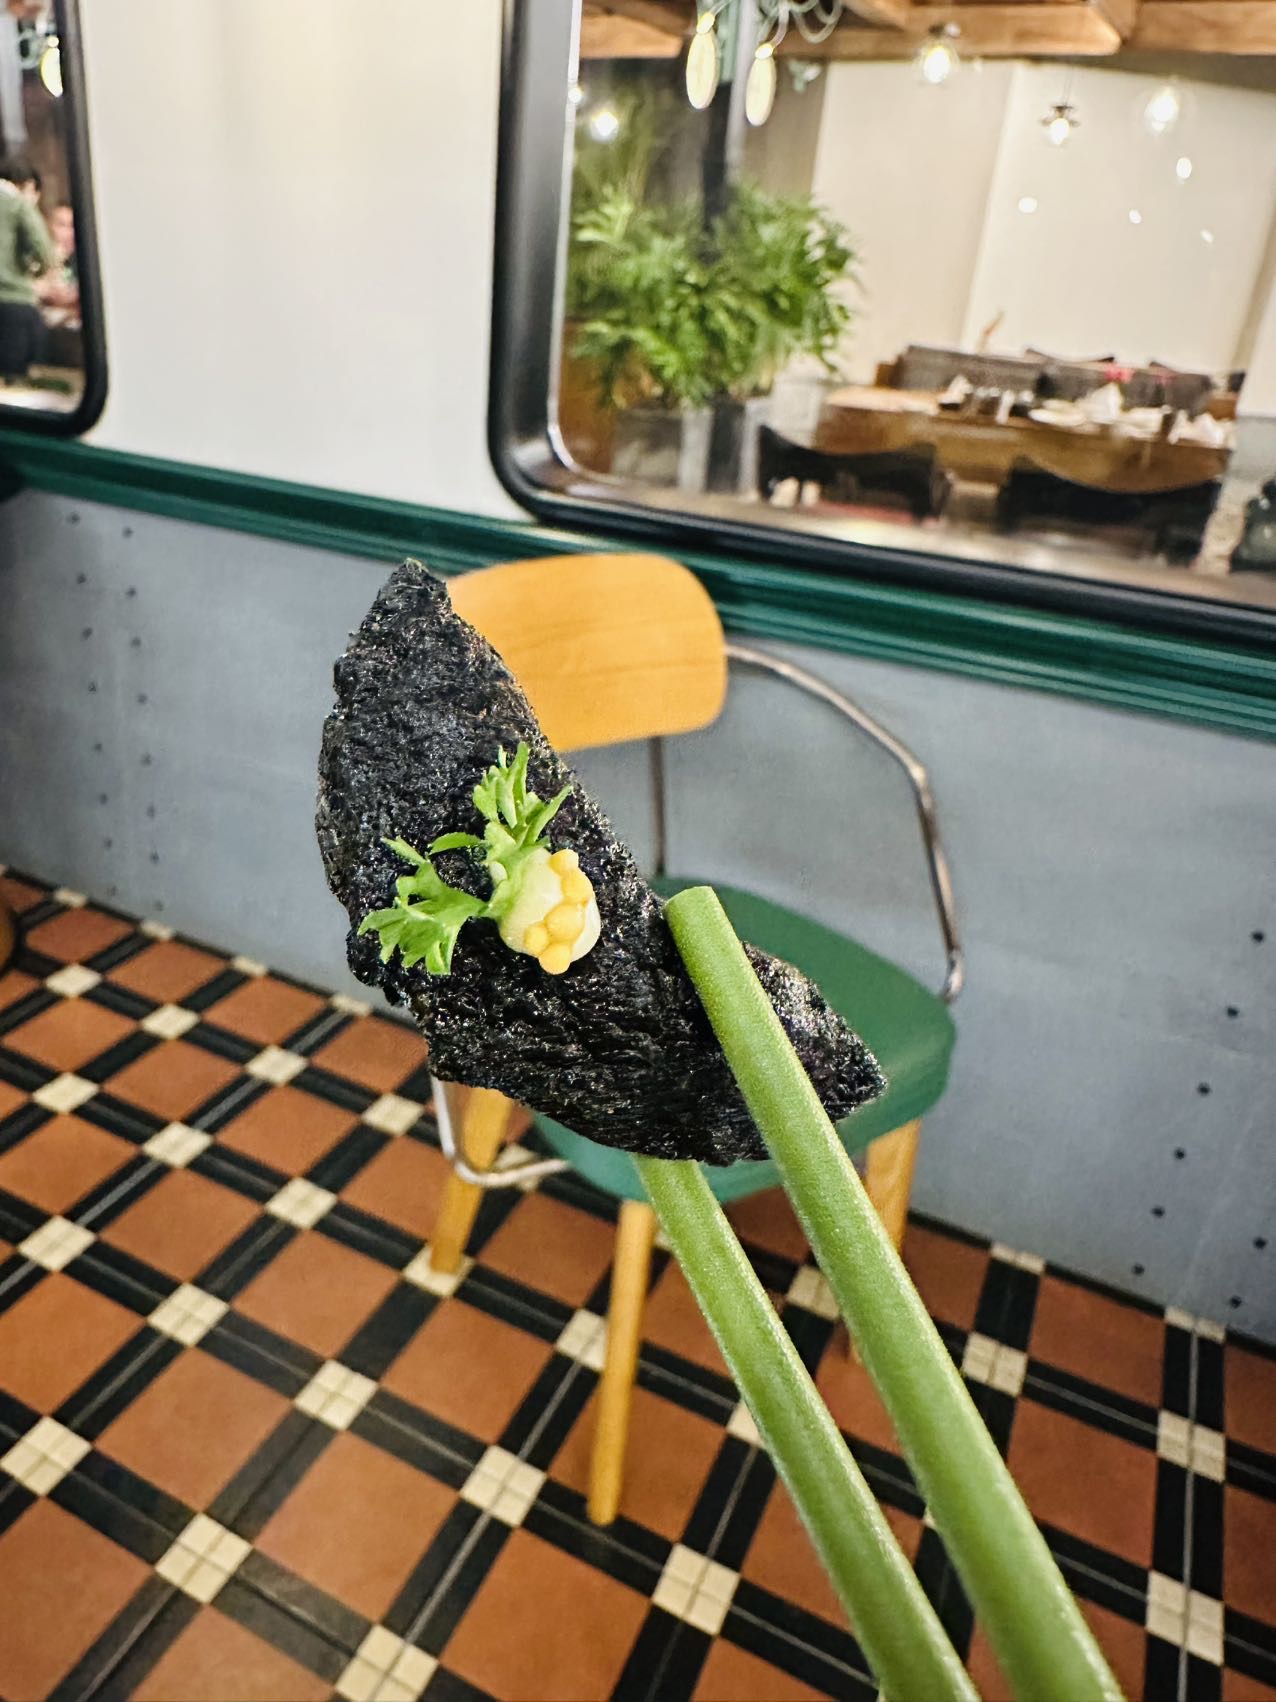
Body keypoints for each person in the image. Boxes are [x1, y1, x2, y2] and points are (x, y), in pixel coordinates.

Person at [0, 157, 54, 380]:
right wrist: (37, 274)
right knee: (15, 377)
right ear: (24, 186)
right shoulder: (17, 204)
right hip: (13, 300)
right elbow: (43, 251)